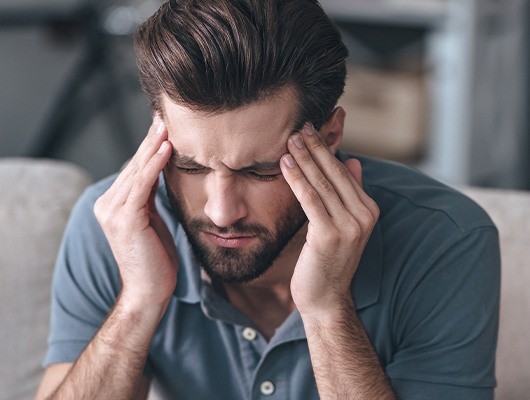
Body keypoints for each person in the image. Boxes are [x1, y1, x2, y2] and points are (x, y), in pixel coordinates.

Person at [36, 0, 500, 399]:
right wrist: (138, 302)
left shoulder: (445, 240)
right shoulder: (118, 224)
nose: (221, 211)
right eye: (191, 166)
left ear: (331, 135)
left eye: (259, 170)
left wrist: (326, 308)